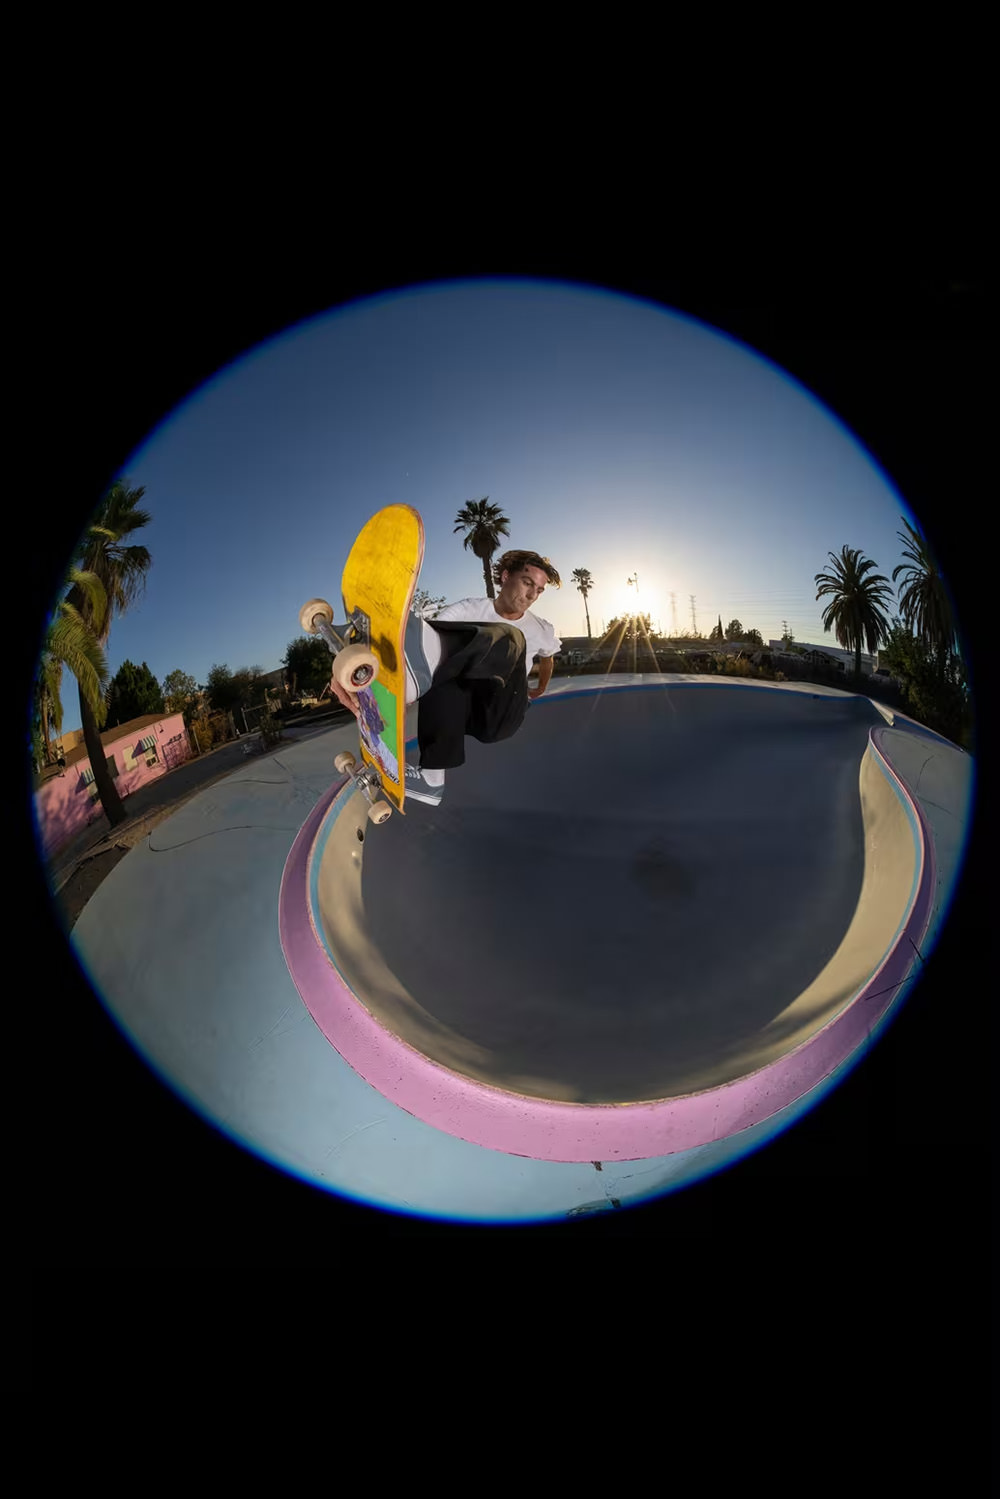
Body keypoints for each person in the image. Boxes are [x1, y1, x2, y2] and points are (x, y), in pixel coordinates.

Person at [328, 550, 562, 804]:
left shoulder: (540, 628)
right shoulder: (468, 608)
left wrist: (540, 687)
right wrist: (349, 665)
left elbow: (548, 657)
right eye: (527, 583)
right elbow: (429, 638)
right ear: (506, 577)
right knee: (443, 664)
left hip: (501, 714)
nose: (532, 595)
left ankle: (415, 682)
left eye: (539, 590)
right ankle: (431, 780)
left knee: (510, 638)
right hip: (466, 710)